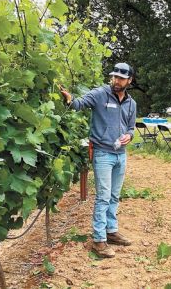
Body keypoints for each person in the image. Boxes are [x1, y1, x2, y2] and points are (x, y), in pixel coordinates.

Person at [60, 63, 136, 258]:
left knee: (114, 195)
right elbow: (79, 104)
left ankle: (111, 231)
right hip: (103, 153)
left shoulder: (131, 103)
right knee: (103, 196)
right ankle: (98, 240)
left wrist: (129, 135)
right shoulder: (100, 94)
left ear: (129, 80)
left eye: (121, 78)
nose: (116, 81)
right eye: (114, 77)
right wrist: (69, 100)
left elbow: (131, 127)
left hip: (121, 154)